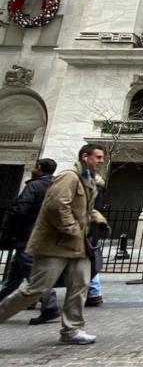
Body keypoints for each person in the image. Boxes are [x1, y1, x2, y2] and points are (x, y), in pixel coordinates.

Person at [0, 144, 110, 345]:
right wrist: (72, 230)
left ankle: (72, 330)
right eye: (98, 157)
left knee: (80, 285)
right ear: (85, 157)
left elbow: (87, 208)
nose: (101, 161)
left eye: (102, 158)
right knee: (36, 288)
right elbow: (57, 206)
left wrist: (99, 220)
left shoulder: (89, 180)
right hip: (56, 244)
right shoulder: (68, 177)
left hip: (78, 245)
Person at [0, 159, 59, 323]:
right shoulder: (55, 186)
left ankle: (51, 305)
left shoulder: (34, 186)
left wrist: (12, 231)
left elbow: (21, 210)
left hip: (27, 235)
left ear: (38, 168)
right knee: (14, 275)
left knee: (34, 274)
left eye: (35, 166)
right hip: (42, 234)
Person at [85, 170, 107, 307]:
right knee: (88, 261)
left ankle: (39, 295)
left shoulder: (92, 193)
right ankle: (94, 292)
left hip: (84, 230)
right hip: (90, 230)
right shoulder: (99, 192)